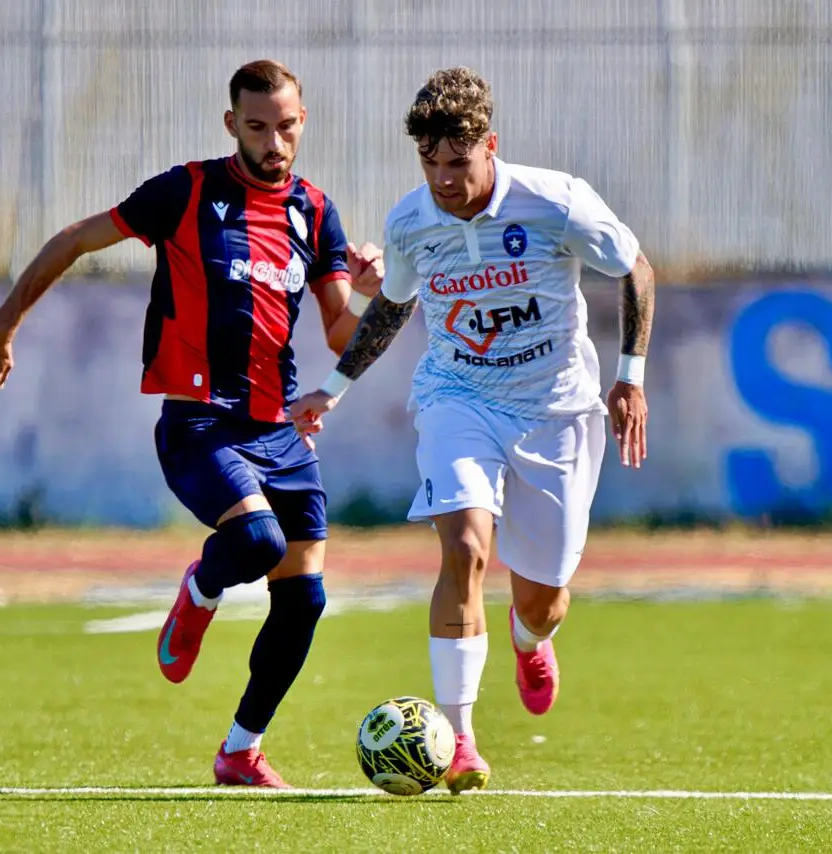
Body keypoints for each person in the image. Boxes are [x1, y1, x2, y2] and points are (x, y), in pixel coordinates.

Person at [0, 59, 384, 789]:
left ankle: (241, 751)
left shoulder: (316, 212)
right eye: (257, 127)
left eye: (286, 126)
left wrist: (379, 296)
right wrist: (3, 327)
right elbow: (73, 239)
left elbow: (340, 332)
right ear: (232, 125)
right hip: (198, 423)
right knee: (255, 540)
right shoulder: (185, 192)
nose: (274, 142)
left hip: (280, 430)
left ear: (303, 121)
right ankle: (199, 592)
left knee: (306, 600)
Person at [290, 66, 655, 793]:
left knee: (541, 599)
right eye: (430, 163)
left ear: (490, 145)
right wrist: (332, 389)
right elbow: (394, 306)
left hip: (556, 408)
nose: (444, 180)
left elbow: (635, 268)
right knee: (463, 545)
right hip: (458, 398)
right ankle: (459, 740)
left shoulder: (556, 202)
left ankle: (529, 641)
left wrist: (631, 377)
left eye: (457, 163)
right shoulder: (411, 222)